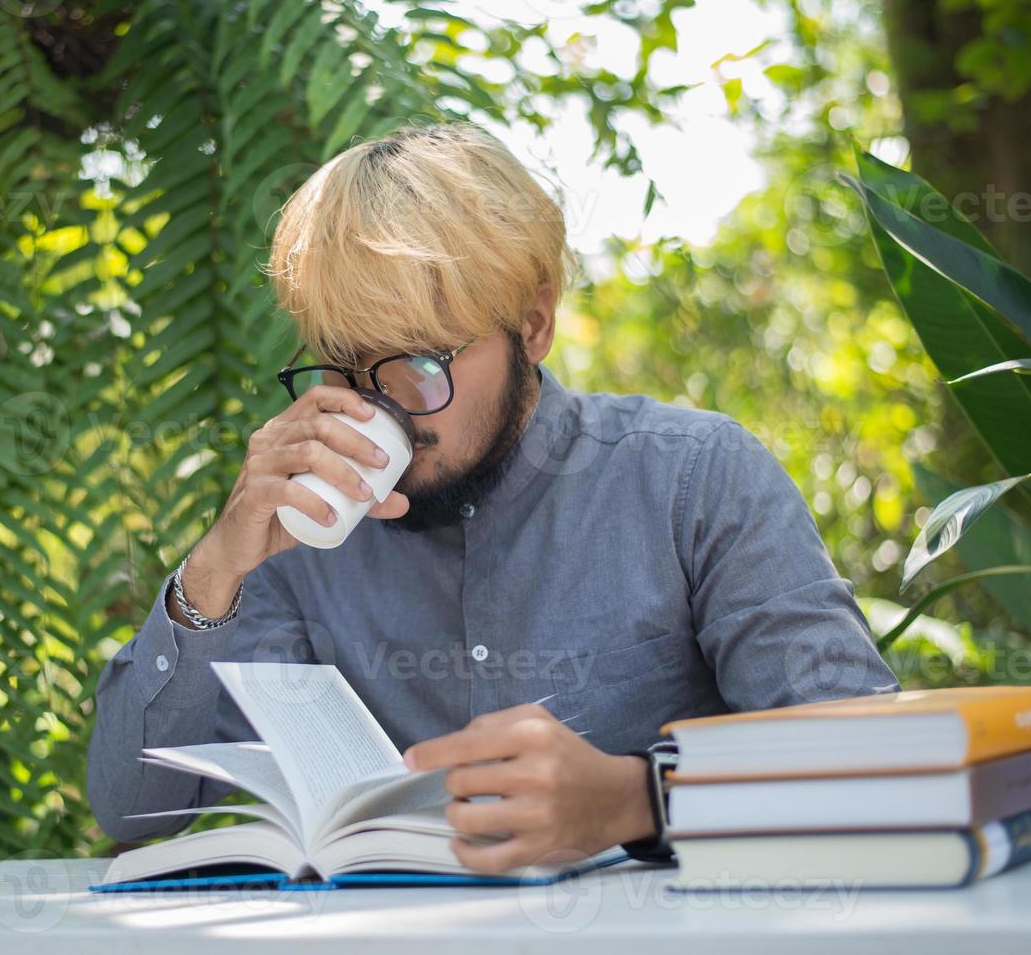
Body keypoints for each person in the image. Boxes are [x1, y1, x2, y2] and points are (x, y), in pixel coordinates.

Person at [87, 119, 898, 872]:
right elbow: (134, 814)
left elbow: (868, 767)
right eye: (342, 364)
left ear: (534, 325)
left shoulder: (692, 479)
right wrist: (214, 569)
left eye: (419, 361)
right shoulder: (302, 532)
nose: (377, 404)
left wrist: (636, 800)